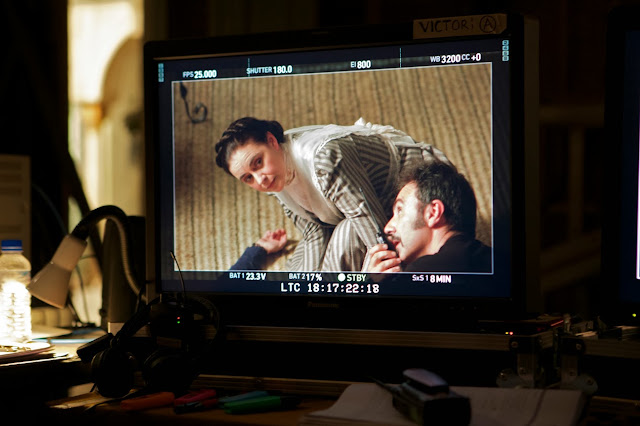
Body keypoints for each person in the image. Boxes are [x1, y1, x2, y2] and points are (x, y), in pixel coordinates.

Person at [215, 117, 450, 272]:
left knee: (347, 234)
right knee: (297, 278)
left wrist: (370, 276)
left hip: (410, 182)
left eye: (258, 162)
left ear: (272, 141)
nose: (260, 180)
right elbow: (314, 229)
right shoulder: (275, 175)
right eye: (248, 178)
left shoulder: (323, 158)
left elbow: (368, 224)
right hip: (359, 207)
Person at [364, 161, 491, 273]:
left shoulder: (420, 272)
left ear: (433, 213)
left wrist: (377, 287)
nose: (387, 228)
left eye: (400, 210)